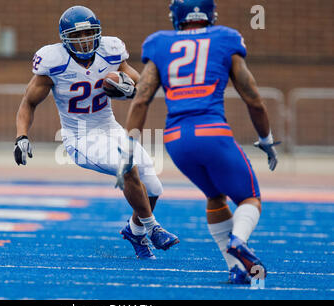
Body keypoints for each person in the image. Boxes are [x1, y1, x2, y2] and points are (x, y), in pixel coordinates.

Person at [119, 0, 280, 283]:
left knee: (215, 196)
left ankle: (235, 268)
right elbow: (253, 98)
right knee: (249, 198)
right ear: (209, 15)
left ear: (178, 17)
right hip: (212, 133)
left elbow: (141, 99)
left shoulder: (159, 42)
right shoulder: (226, 38)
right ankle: (239, 241)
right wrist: (266, 138)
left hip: (177, 140)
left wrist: (129, 148)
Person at [14, 6, 179, 260]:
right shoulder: (53, 60)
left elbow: (140, 86)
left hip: (109, 128)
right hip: (79, 136)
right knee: (128, 167)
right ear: (65, 38)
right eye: (77, 36)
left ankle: (135, 232)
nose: (84, 41)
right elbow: (29, 102)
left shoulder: (111, 51)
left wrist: (128, 89)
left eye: (89, 34)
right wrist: (22, 137)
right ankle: (153, 228)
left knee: (154, 186)